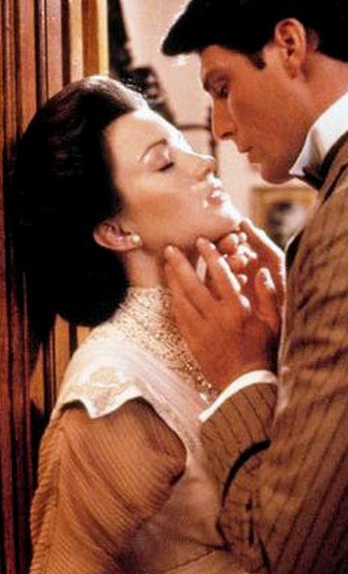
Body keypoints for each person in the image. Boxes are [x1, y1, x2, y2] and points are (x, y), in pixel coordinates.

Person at [160, 0, 348, 572]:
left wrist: (240, 374)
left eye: (223, 88)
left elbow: (285, 555)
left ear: (289, 45)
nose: (220, 127)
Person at [14, 75, 250, 573]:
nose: (204, 163)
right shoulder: (115, 390)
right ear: (116, 231)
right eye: (165, 162)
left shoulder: (240, 325)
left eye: (184, 146)